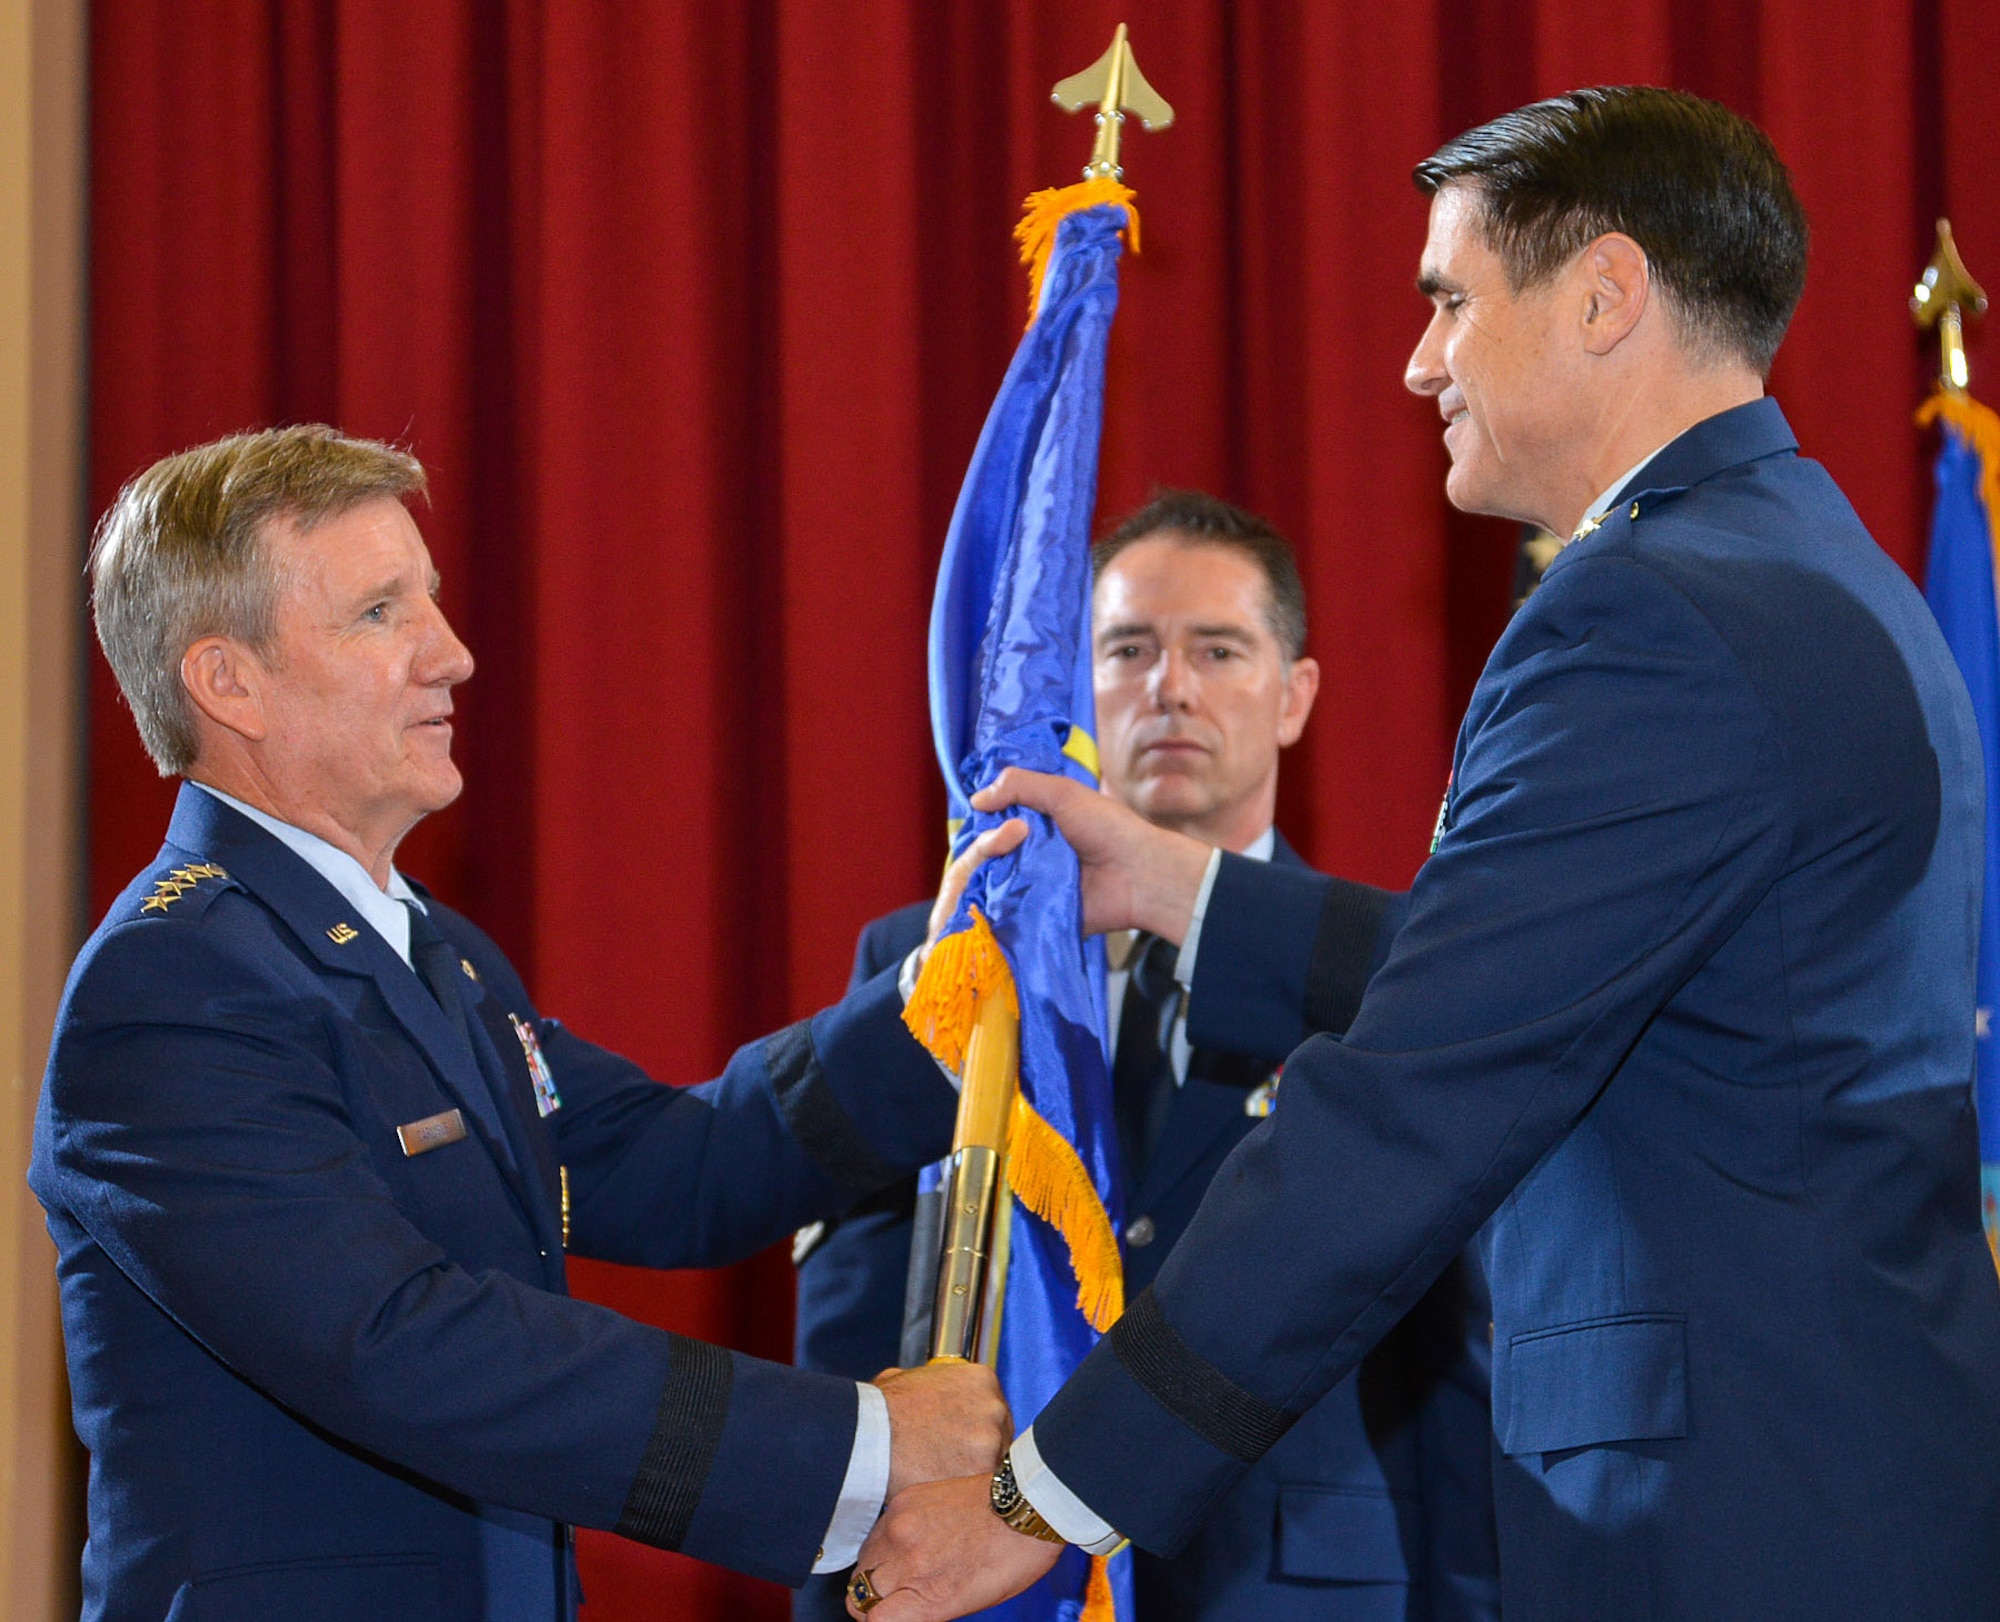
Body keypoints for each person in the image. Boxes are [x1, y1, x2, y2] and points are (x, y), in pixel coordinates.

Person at [849, 87, 2000, 1622]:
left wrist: (1050, 1489)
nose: (1418, 359)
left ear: (1604, 292)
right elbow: (1589, 997)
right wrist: (1190, 892)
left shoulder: (1645, 615)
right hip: (1826, 1477)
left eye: (1449, 299)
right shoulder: (1816, 569)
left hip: (1727, 1523)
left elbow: (1416, 1097)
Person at [29, 426, 1010, 1622]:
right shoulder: (173, 987)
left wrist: (939, 1000)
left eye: (428, 602)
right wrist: (860, 1440)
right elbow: (404, 1345)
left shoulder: (425, 945)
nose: (453, 654)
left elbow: (673, 1166)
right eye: (380, 614)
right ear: (228, 682)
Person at [795, 492, 1498, 1621]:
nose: (1168, 686)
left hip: (1305, 1589)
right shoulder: (945, 953)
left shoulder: (1383, 971)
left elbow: (1451, 1347)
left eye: (1217, 649)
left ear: (1294, 692)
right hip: (986, 1586)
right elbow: (857, 1313)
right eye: (1126, 649)